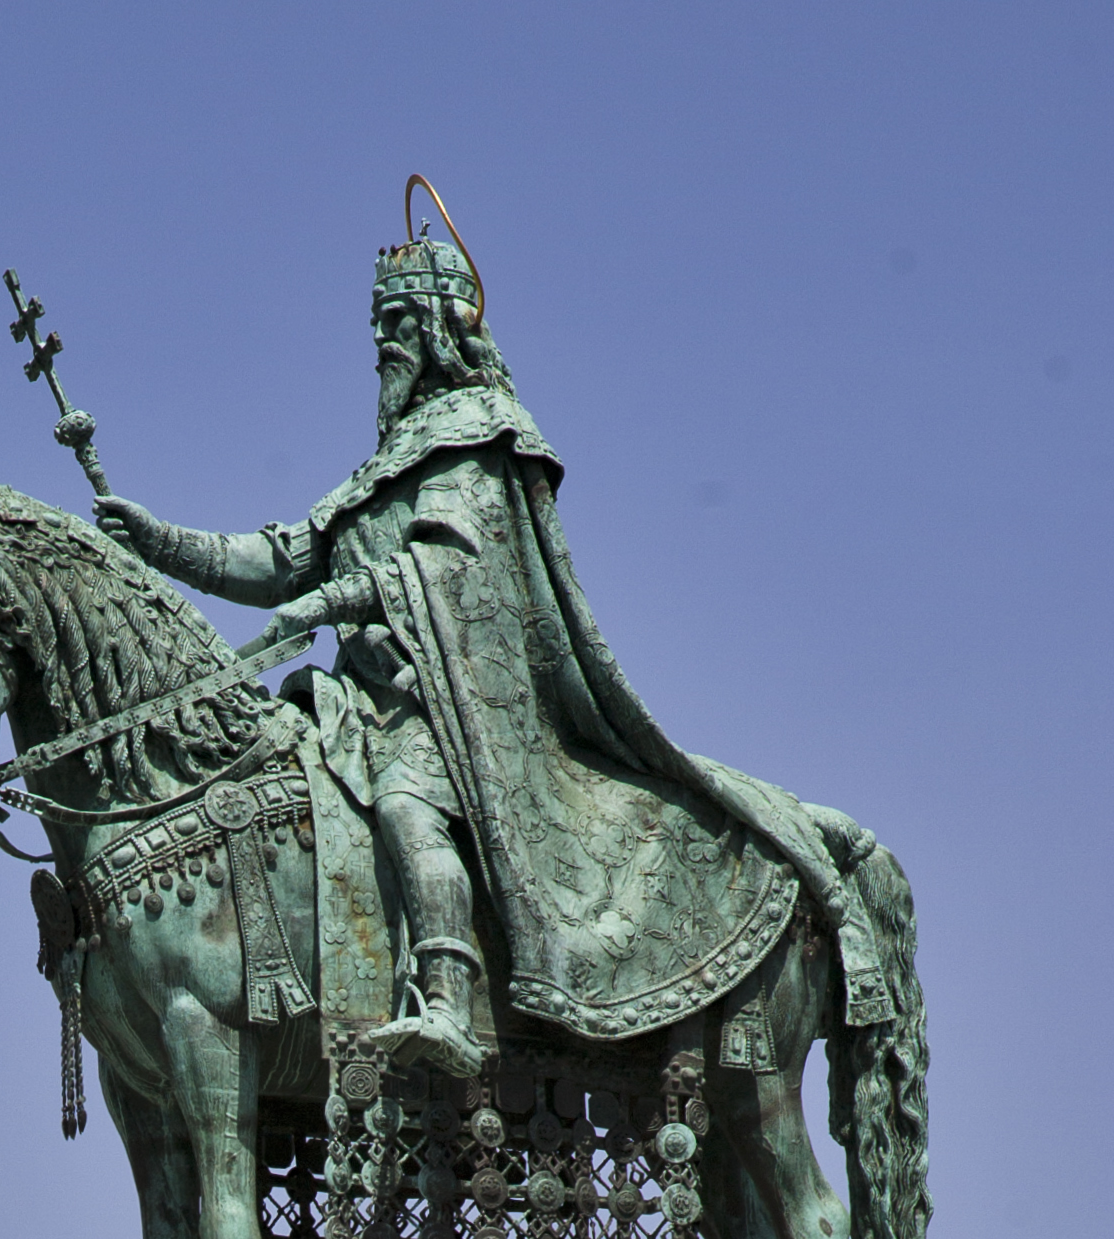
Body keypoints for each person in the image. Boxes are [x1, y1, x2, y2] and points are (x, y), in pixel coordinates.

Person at [94, 215, 887, 1084]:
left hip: (451, 712)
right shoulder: (381, 465)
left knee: (405, 805)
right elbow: (282, 555)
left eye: (397, 328)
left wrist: (341, 598)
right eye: (376, 332)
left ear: (439, 329)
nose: (382, 349)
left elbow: (451, 569)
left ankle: (444, 1001)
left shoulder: (481, 431)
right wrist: (156, 539)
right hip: (357, 704)